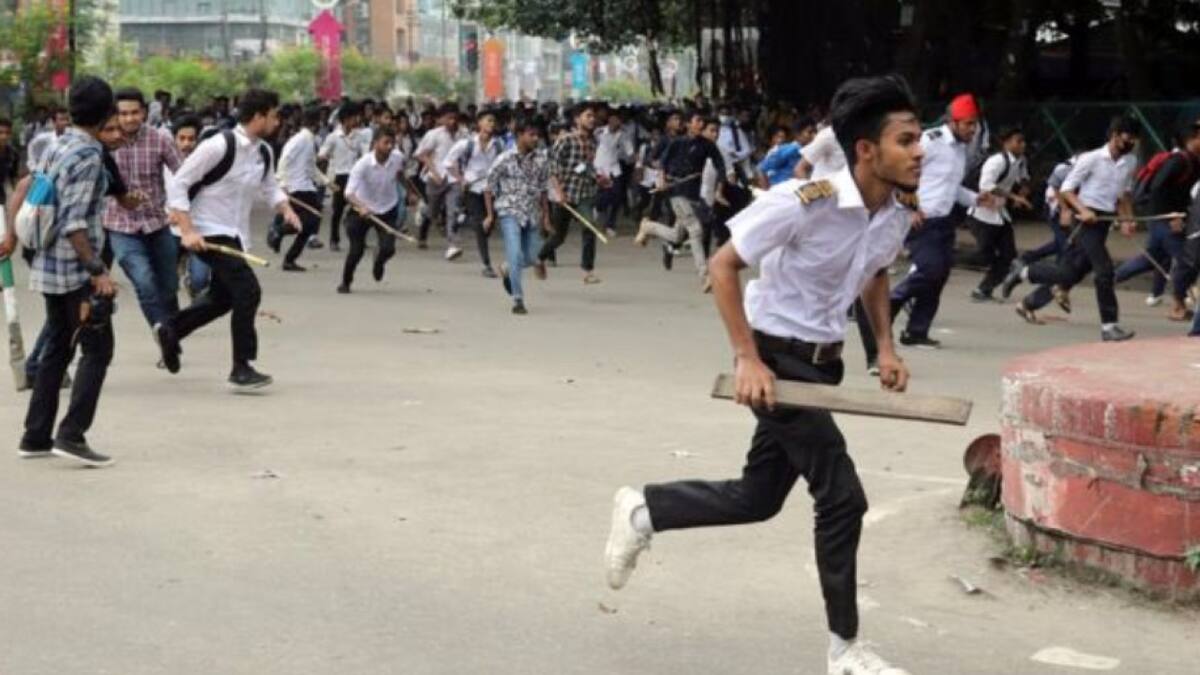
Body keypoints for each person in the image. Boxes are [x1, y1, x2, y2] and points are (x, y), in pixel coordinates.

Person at [604, 75, 922, 675]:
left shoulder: (893, 213)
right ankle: (845, 650)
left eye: (918, 139)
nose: (919, 151)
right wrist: (746, 357)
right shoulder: (805, 201)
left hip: (823, 366)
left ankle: (644, 510)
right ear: (865, 150)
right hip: (775, 361)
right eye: (905, 141)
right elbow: (724, 266)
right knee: (842, 497)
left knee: (758, 497)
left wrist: (885, 347)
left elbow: (876, 272)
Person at [163, 88, 302, 388]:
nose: (277, 122)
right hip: (208, 231)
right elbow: (179, 184)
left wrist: (286, 209)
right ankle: (242, 367)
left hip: (235, 233)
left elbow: (270, 186)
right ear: (258, 116)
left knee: (223, 297)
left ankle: (171, 329)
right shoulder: (218, 146)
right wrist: (187, 230)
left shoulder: (263, 152)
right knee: (248, 290)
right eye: (273, 116)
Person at [14, 77, 120, 467]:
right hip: (75, 269)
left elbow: (30, 189)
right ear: (106, 113)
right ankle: (72, 434)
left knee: (58, 347)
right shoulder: (89, 156)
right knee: (98, 348)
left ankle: (35, 436)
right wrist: (97, 270)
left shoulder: (55, 144)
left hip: (47, 263)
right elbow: (74, 222)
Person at [1003, 115, 1141, 341]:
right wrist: (1082, 210)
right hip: (1085, 219)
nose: (1131, 143)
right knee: (1104, 271)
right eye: (1128, 137)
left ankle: (1025, 274)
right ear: (1115, 135)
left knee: (1072, 272)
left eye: (1135, 139)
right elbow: (1067, 189)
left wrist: (1128, 219)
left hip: (1103, 221)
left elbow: (1124, 194)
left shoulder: (1130, 161)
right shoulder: (1091, 159)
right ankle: (1109, 326)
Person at [889, 94, 995, 348]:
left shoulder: (960, 150)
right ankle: (888, 304)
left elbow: (951, 187)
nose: (973, 130)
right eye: (969, 124)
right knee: (930, 269)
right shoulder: (930, 141)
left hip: (944, 220)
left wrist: (976, 199)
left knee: (938, 277)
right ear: (953, 122)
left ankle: (916, 332)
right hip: (921, 219)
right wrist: (909, 208)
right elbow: (899, 172)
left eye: (975, 124)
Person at [103, 87, 184, 345]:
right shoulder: (104, 141)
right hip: (120, 226)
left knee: (169, 286)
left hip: (157, 223)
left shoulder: (160, 139)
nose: (129, 119)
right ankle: (164, 335)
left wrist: (179, 209)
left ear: (144, 113)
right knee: (144, 281)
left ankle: (172, 332)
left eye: (134, 112)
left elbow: (183, 176)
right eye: (123, 113)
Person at [1112, 122, 1200, 321]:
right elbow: (1157, 187)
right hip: (1162, 219)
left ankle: (1108, 279)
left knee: (1150, 258)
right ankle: (1177, 306)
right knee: (1187, 260)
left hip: (1170, 218)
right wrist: (1170, 216)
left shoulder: (1194, 161)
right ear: (1192, 139)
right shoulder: (1178, 161)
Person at [634, 112, 727, 292]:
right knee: (695, 229)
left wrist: (720, 188)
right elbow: (662, 162)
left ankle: (649, 227)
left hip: (694, 193)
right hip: (676, 190)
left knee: (677, 236)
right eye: (698, 120)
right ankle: (704, 276)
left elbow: (720, 166)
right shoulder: (677, 142)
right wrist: (661, 179)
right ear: (688, 124)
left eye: (702, 121)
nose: (701, 124)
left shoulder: (708, 145)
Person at [485, 119, 551, 314]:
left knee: (532, 257)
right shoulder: (504, 159)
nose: (535, 138)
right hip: (509, 211)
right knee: (514, 253)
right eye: (531, 135)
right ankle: (518, 299)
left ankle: (508, 269)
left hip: (531, 212)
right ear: (519, 135)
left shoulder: (541, 160)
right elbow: (489, 187)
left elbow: (543, 189)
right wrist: (490, 215)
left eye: (537, 135)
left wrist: (546, 216)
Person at [540, 102, 604, 285]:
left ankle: (588, 271)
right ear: (577, 119)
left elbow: (584, 167)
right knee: (558, 236)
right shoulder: (565, 140)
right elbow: (552, 167)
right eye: (588, 116)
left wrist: (598, 178)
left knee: (590, 227)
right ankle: (539, 257)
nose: (592, 119)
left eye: (593, 116)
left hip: (584, 193)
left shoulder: (593, 142)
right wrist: (559, 192)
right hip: (566, 194)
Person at [337, 126, 406, 293]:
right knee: (356, 250)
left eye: (392, 143)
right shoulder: (363, 164)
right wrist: (361, 207)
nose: (390, 147)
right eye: (386, 143)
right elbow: (348, 193)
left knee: (388, 248)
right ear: (375, 144)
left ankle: (379, 261)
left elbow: (400, 173)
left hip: (387, 208)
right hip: (361, 210)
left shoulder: (397, 157)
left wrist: (408, 191)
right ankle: (346, 282)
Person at [967, 126, 1031, 301]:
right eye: (1019, 141)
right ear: (1006, 143)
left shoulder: (1021, 160)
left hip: (999, 214)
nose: (1023, 145)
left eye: (1024, 141)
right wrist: (1014, 197)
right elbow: (986, 185)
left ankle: (983, 290)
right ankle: (947, 259)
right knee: (983, 255)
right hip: (981, 215)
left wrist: (1023, 192)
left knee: (1008, 256)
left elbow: (1024, 178)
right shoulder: (996, 161)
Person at [443, 109, 504, 277]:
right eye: (488, 120)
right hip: (472, 189)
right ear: (479, 123)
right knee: (480, 226)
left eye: (493, 121)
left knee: (489, 225)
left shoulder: (499, 145)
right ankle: (486, 264)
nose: (492, 124)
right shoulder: (466, 144)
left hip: (491, 189)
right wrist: (460, 179)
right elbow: (448, 163)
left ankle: (462, 220)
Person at [272, 106, 327, 271]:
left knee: (310, 223)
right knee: (309, 221)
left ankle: (289, 257)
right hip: (296, 187)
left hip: (306, 186)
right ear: (315, 123)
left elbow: (310, 166)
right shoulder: (300, 139)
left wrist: (325, 181)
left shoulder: (309, 140)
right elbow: (284, 159)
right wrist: (282, 183)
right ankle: (278, 231)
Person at [415, 104, 466, 257]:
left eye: (455, 118)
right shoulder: (434, 135)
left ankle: (452, 244)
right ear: (441, 119)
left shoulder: (463, 134)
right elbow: (421, 154)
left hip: (454, 178)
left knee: (453, 211)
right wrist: (434, 172)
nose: (452, 121)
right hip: (436, 178)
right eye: (449, 118)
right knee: (433, 212)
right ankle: (423, 227)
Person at [168, 115, 210, 299]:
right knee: (167, 281)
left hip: (198, 228)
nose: (186, 144)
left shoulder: (208, 164)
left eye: (191, 139)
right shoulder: (163, 164)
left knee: (200, 280)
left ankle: (193, 289)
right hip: (170, 229)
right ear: (174, 139)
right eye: (182, 138)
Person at [318, 102, 368, 252]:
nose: (357, 120)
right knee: (337, 210)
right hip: (339, 177)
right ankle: (334, 239)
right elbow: (322, 154)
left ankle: (358, 239)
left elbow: (365, 155)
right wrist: (325, 159)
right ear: (345, 119)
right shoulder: (333, 137)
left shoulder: (359, 136)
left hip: (355, 177)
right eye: (354, 117)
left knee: (359, 209)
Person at [757, 118, 818, 187]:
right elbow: (761, 169)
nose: (814, 136)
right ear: (798, 134)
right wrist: (767, 191)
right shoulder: (789, 150)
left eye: (815, 132)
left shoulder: (811, 151)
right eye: (810, 132)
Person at [25, 107, 71, 172]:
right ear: (54, 122)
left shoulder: (74, 140)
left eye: (67, 119)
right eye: (62, 119)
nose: (66, 123)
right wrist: (33, 169)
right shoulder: (44, 139)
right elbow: (31, 146)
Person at [0, 117, 21, 204]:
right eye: (1, 133)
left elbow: (14, 178)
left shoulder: (13, 154)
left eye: (7, 133)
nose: (4, 136)